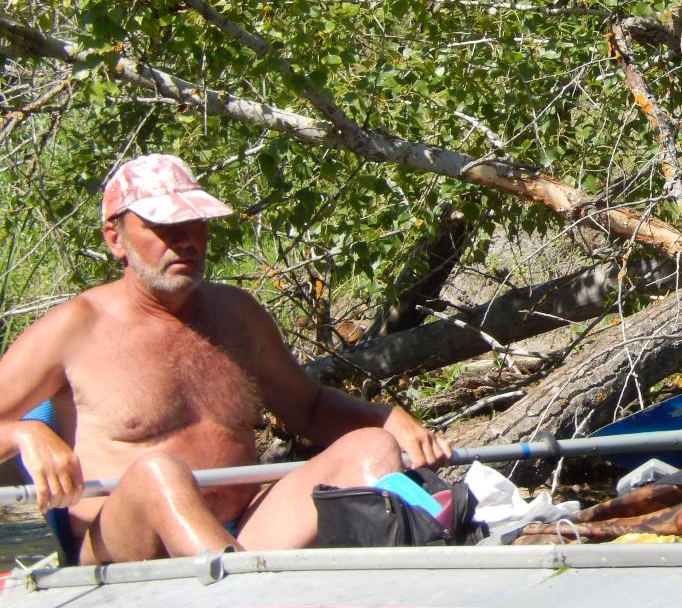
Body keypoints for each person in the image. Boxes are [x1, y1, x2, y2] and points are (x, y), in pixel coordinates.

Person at [0, 153, 451, 565]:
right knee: (159, 473)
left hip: (244, 530)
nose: (184, 240)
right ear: (115, 238)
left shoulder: (237, 313)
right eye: (161, 226)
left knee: (371, 446)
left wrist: (386, 418)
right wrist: (26, 434)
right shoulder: (75, 326)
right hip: (124, 550)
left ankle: (416, 580)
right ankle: (240, 592)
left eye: (194, 222)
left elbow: (309, 408)